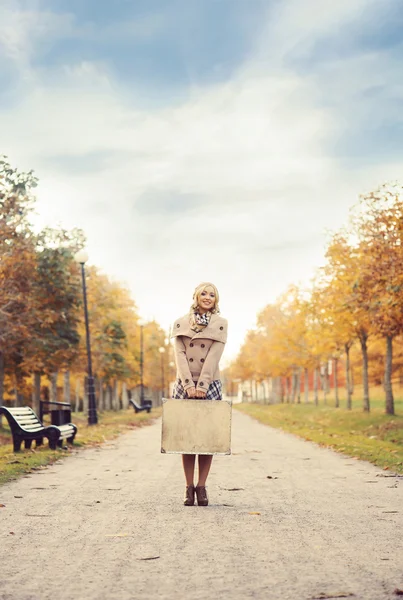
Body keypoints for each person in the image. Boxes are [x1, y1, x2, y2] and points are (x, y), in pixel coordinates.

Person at [171, 282, 228, 507]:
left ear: (216, 300)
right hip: (183, 383)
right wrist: (188, 384)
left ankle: (202, 486)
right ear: (195, 296)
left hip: (210, 383)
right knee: (186, 438)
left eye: (211, 295)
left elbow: (214, 356)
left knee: (207, 438)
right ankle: (188, 487)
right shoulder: (180, 323)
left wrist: (202, 385)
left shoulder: (221, 324)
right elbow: (179, 355)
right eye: (203, 293)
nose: (207, 297)